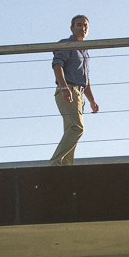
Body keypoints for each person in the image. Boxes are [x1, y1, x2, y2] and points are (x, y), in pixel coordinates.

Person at [48, 15, 99, 165]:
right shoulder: (67, 44)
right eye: (79, 25)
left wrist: (92, 101)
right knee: (77, 128)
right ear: (72, 28)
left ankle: (67, 165)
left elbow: (86, 80)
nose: (82, 28)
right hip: (68, 89)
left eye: (85, 26)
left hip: (79, 93)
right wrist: (64, 87)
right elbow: (57, 65)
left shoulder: (85, 52)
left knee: (71, 130)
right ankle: (55, 163)